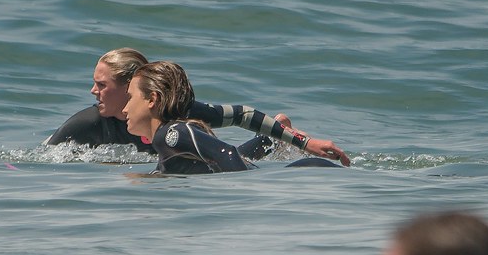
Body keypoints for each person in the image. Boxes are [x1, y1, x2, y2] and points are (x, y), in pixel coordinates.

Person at [45, 48, 350, 165]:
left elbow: (243, 116)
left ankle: (274, 135)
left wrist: (305, 142)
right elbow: (43, 156)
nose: (92, 91)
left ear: (133, 89)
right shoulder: (87, 123)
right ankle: (271, 139)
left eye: (102, 85)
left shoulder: (176, 121)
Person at [124, 61, 341, 175]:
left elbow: (225, 153)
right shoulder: (170, 135)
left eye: (131, 98)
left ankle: (271, 139)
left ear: (152, 99)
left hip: (307, 171)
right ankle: (269, 139)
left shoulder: (171, 134)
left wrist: (247, 199)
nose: (125, 109)